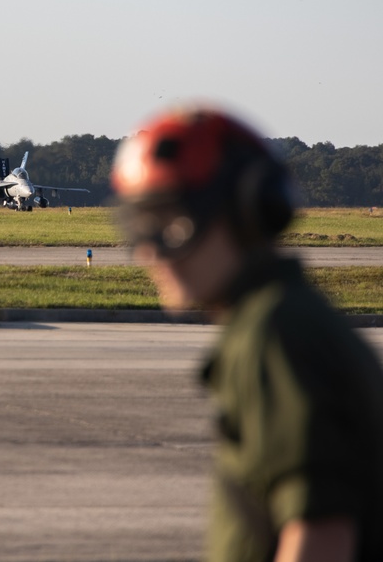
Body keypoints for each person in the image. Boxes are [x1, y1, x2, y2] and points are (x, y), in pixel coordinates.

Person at [110, 105, 383, 562]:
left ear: (249, 212)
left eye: (173, 226)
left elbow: (320, 536)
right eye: (142, 230)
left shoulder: (274, 334)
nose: (150, 254)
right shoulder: (285, 317)